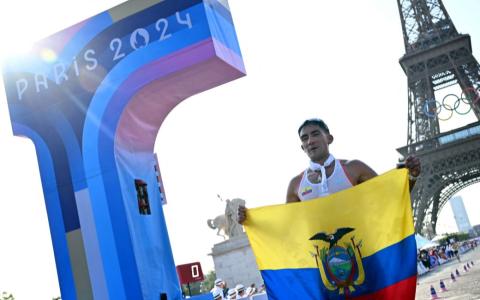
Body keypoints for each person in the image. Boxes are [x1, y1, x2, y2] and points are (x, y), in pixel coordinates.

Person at [238, 118, 421, 223]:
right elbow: (289, 226)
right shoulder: (295, 185)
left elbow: (390, 197)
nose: (310, 141)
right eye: (305, 138)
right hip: (323, 261)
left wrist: (410, 176)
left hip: (364, 248)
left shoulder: (354, 167)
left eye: (316, 134)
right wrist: (251, 220)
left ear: (329, 138)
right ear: (302, 147)